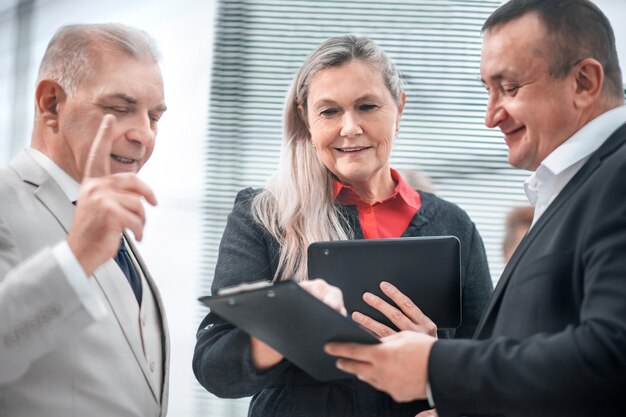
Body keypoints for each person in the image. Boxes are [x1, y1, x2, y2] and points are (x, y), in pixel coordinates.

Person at [325, 1, 626, 416]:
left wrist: (435, 367)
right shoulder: (572, 184)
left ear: (584, 81)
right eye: (487, 90)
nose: (490, 117)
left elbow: (612, 356)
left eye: (510, 87)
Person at [193, 35, 493, 417]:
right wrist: (288, 328)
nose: (349, 128)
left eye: (367, 106)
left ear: (399, 107)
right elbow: (213, 367)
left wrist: (438, 362)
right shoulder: (265, 217)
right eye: (329, 112)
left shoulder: (454, 225)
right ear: (306, 118)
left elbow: (491, 365)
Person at [0, 24, 169, 416]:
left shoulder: (106, 213)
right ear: (51, 104)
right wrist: (76, 257)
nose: (143, 134)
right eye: (119, 108)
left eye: (154, 116)